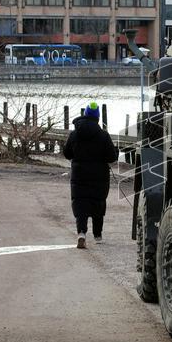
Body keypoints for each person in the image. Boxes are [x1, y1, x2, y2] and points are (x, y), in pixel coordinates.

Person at [63, 101, 118, 249]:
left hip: (79, 175)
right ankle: (98, 235)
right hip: (99, 177)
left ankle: (81, 233)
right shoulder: (103, 136)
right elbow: (112, 157)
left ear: (85, 115)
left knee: (80, 203)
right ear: (97, 118)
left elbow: (67, 154)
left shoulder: (74, 134)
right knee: (98, 203)